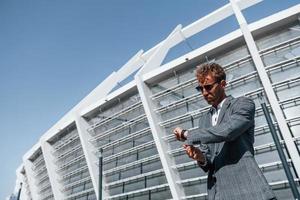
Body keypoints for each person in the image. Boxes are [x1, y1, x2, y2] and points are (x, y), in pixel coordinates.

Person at [173, 63, 275, 200]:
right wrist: (200, 157)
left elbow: (227, 131)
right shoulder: (204, 120)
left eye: (208, 87)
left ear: (223, 84)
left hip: (248, 191)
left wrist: (187, 134)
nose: (204, 92)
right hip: (217, 193)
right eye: (200, 88)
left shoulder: (243, 104)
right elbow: (208, 161)